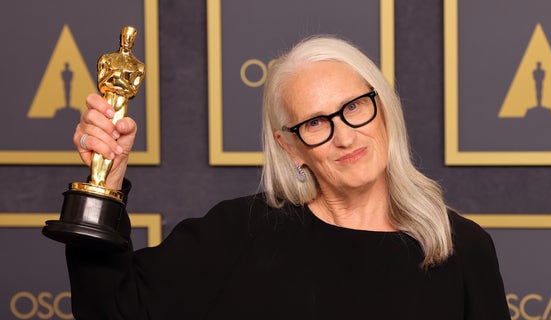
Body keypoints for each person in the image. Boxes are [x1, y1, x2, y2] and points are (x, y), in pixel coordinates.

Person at [68, 36, 510, 319]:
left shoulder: (461, 247)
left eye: (354, 106)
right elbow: (115, 310)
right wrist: (105, 182)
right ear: (290, 146)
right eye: (316, 123)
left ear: (385, 109)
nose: (345, 135)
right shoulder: (239, 233)